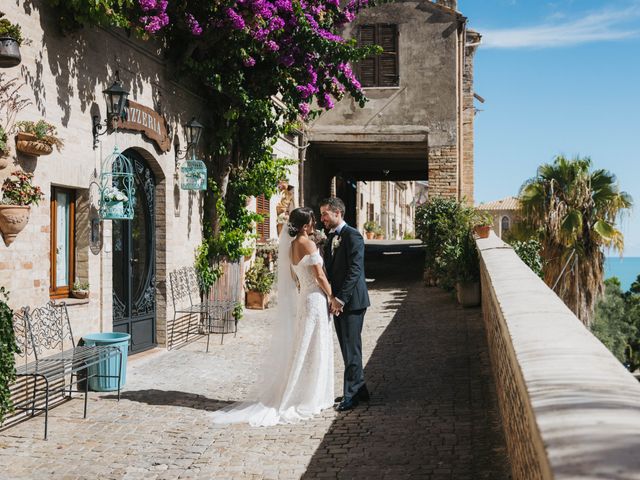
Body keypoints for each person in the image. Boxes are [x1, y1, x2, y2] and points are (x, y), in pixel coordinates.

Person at [210, 207, 335, 426]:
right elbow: (320, 275)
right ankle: (311, 394)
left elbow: (295, 277)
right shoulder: (308, 243)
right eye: (312, 221)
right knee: (315, 345)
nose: (315, 224)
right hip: (314, 298)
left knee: (304, 344)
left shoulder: (292, 246)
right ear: (306, 225)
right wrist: (332, 296)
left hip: (304, 296)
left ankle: (303, 389)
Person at [320, 197, 371, 412]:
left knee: (351, 348)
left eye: (325, 214)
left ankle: (350, 395)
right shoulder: (331, 236)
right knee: (347, 347)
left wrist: (340, 299)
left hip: (352, 301)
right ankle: (359, 389)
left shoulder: (353, 236)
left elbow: (354, 271)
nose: (322, 218)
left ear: (337, 213)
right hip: (339, 300)